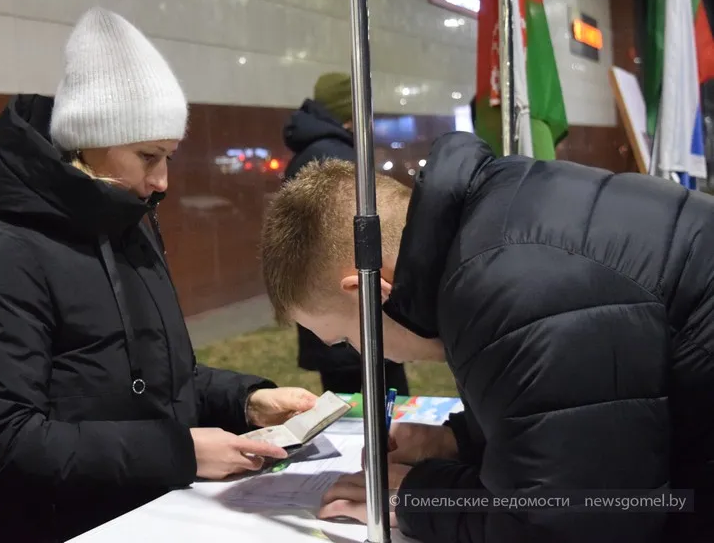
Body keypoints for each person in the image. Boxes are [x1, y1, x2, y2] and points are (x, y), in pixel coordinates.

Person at [0, 7, 318, 543]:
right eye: (148, 156)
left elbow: (157, 376)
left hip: (152, 517)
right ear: (91, 137)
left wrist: (245, 402)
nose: (161, 181)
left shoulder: (128, 228)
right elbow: (1, 440)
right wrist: (179, 453)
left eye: (169, 156)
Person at [259, 131, 714, 542]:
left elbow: (576, 520)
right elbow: (590, 406)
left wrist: (423, 498)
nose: (359, 354)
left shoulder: (509, 287)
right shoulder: (498, 213)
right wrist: (460, 440)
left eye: (344, 338)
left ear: (369, 293)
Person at [282, 72, 410, 396]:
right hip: (353, 314)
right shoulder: (337, 157)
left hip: (333, 310)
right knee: (377, 416)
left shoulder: (315, 151)